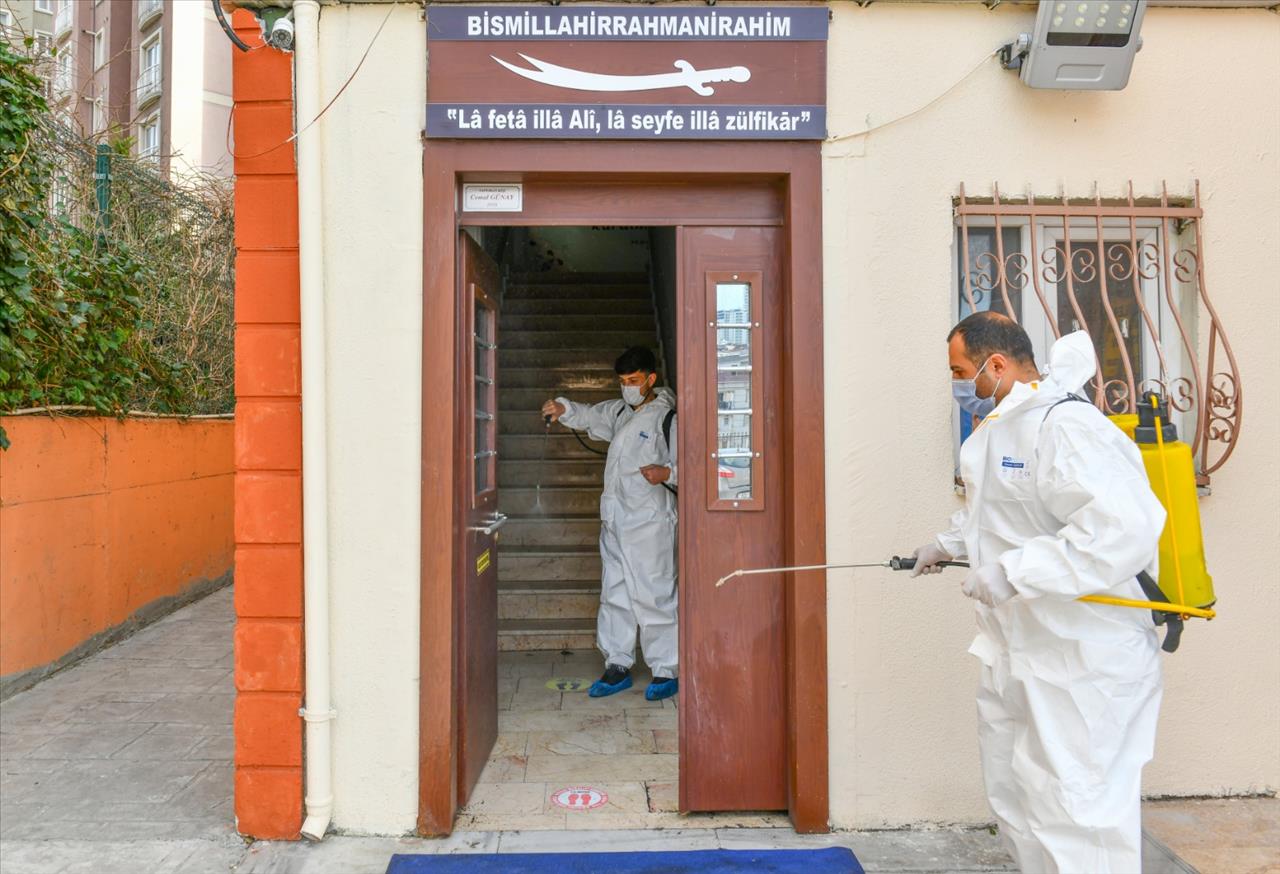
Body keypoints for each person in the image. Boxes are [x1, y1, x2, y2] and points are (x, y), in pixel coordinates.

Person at [910, 312, 1167, 873]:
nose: (958, 386)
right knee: (1019, 796)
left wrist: (1014, 572)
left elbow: (1121, 529)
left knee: (1077, 809)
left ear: (996, 365)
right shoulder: (1004, 427)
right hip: (1022, 649)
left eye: (960, 372)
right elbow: (1011, 515)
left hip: (1083, 658)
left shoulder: (1066, 426)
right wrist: (947, 544)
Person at [541, 347, 679, 702]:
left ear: (651, 379)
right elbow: (588, 416)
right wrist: (563, 407)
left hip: (651, 520)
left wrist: (668, 472)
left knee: (654, 592)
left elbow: (693, 464)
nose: (627, 387)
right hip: (616, 518)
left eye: (633, 381)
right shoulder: (619, 411)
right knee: (615, 592)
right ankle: (617, 664)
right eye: (622, 382)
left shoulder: (669, 417)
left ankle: (665, 668)